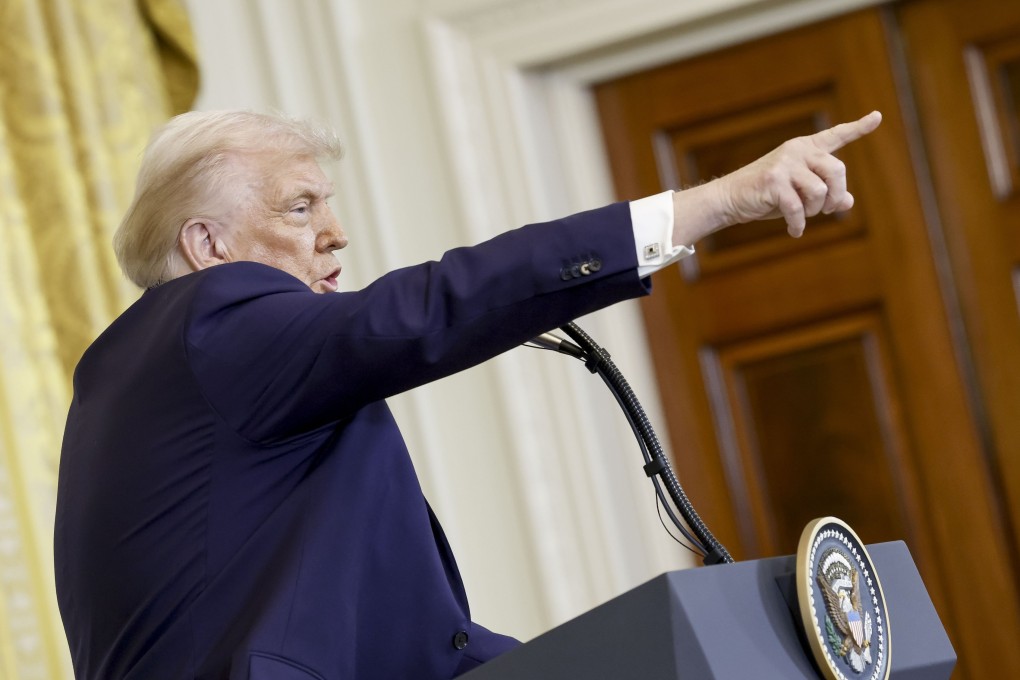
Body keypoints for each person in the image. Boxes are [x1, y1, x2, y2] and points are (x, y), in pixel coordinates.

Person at [54, 108, 882, 680]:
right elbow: (434, 307)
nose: (335, 233)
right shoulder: (210, 320)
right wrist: (720, 200)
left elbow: (415, 645)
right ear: (208, 246)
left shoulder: (161, 380)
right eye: (299, 207)